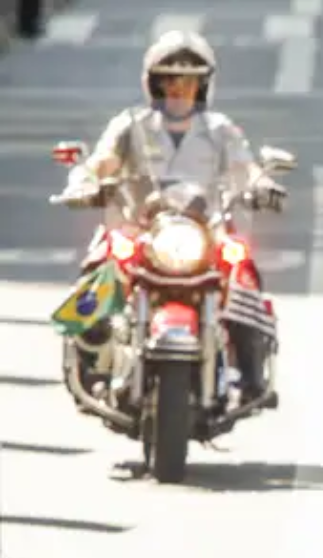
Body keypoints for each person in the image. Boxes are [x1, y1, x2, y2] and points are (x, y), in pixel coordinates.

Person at [58, 29, 287, 403]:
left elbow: (246, 168)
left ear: (204, 86)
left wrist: (263, 186)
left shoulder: (221, 130)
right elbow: (96, 166)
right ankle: (92, 367)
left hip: (205, 234)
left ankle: (250, 377)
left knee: (243, 280)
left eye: (190, 81)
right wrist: (83, 184)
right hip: (140, 230)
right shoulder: (129, 126)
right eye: (170, 80)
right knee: (96, 274)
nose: (179, 89)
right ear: (154, 84)